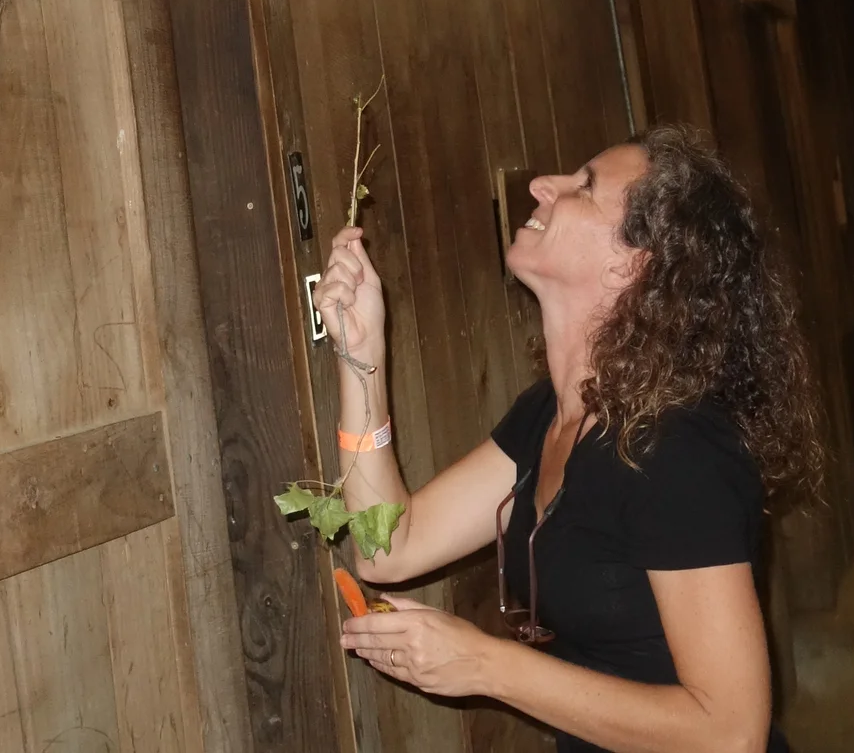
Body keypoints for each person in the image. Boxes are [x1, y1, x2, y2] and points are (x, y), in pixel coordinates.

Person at [318, 125, 820, 753]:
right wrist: (360, 353)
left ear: (633, 262)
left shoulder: (680, 449)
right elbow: (387, 547)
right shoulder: (548, 417)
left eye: (584, 186)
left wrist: (484, 665)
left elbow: (731, 733)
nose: (540, 186)